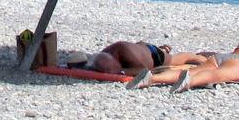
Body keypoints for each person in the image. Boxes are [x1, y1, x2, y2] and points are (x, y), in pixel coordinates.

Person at [86, 40, 219, 80]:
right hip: (141, 47)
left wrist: (122, 72)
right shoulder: (104, 55)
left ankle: (204, 58)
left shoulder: (127, 54)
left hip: (155, 55)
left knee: (182, 58)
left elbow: (144, 69)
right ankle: (164, 48)